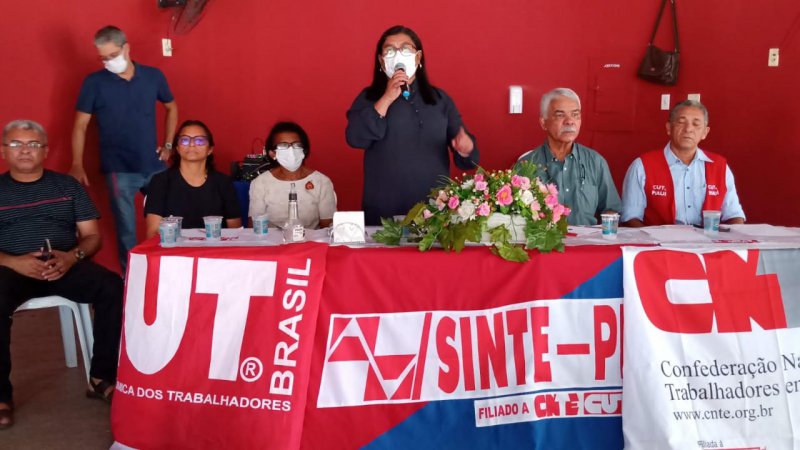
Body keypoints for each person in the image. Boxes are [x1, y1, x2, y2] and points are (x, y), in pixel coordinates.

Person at [0, 120, 123, 429]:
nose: (24, 150)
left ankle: (101, 377)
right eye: (16, 144)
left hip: (65, 264)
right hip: (11, 269)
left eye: (33, 144)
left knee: (112, 287)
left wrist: (71, 257)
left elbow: (92, 237)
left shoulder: (67, 186)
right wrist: (14, 262)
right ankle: (1, 395)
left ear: (45, 151)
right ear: (3, 151)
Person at [346, 25, 479, 225]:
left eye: (405, 49)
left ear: (418, 57)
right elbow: (355, 138)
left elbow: (467, 157)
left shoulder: (439, 99)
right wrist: (386, 98)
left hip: (433, 210)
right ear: (381, 61)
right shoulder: (369, 97)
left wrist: (466, 148)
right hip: (383, 210)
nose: (398, 55)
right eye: (390, 50)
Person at [70, 25, 178, 272]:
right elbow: (80, 125)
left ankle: (169, 273)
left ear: (126, 48)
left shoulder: (153, 76)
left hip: (154, 165)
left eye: (113, 55)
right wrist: (76, 163)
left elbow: (171, 106)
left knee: (169, 223)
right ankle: (130, 279)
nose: (109, 62)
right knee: (126, 230)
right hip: (118, 168)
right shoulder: (94, 83)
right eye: (103, 58)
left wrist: (168, 144)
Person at [621, 100, 745, 227]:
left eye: (696, 124)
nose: (688, 129)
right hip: (659, 238)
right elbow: (630, 217)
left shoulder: (720, 167)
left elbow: (734, 215)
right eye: (681, 122)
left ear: (705, 133)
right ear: (669, 128)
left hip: (707, 238)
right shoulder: (642, 166)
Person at [516, 88, 622, 225]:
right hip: (544, 237)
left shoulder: (595, 161)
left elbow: (611, 209)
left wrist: (607, 229)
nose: (570, 121)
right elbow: (515, 215)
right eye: (560, 115)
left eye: (575, 115)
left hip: (587, 238)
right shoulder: (526, 165)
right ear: (543, 122)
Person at [145, 120, 241, 237]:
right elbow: (153, 233)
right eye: (185, 140)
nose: (191, 144)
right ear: (177, 148)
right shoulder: (160, 181)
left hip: (214, 247)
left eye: (199, 141)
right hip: (173, 247)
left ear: (210, 149)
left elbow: (235, 232)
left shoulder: (224, 183)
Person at [249, 122, 336, 229]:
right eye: (283, 145)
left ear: (304, 150)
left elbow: (327, 227)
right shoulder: (260, 183)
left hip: (309, 238)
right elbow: (255, 226)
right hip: (271, 239)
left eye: (296, 145)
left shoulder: (321, 181)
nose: (291, 150)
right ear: (272, 153)